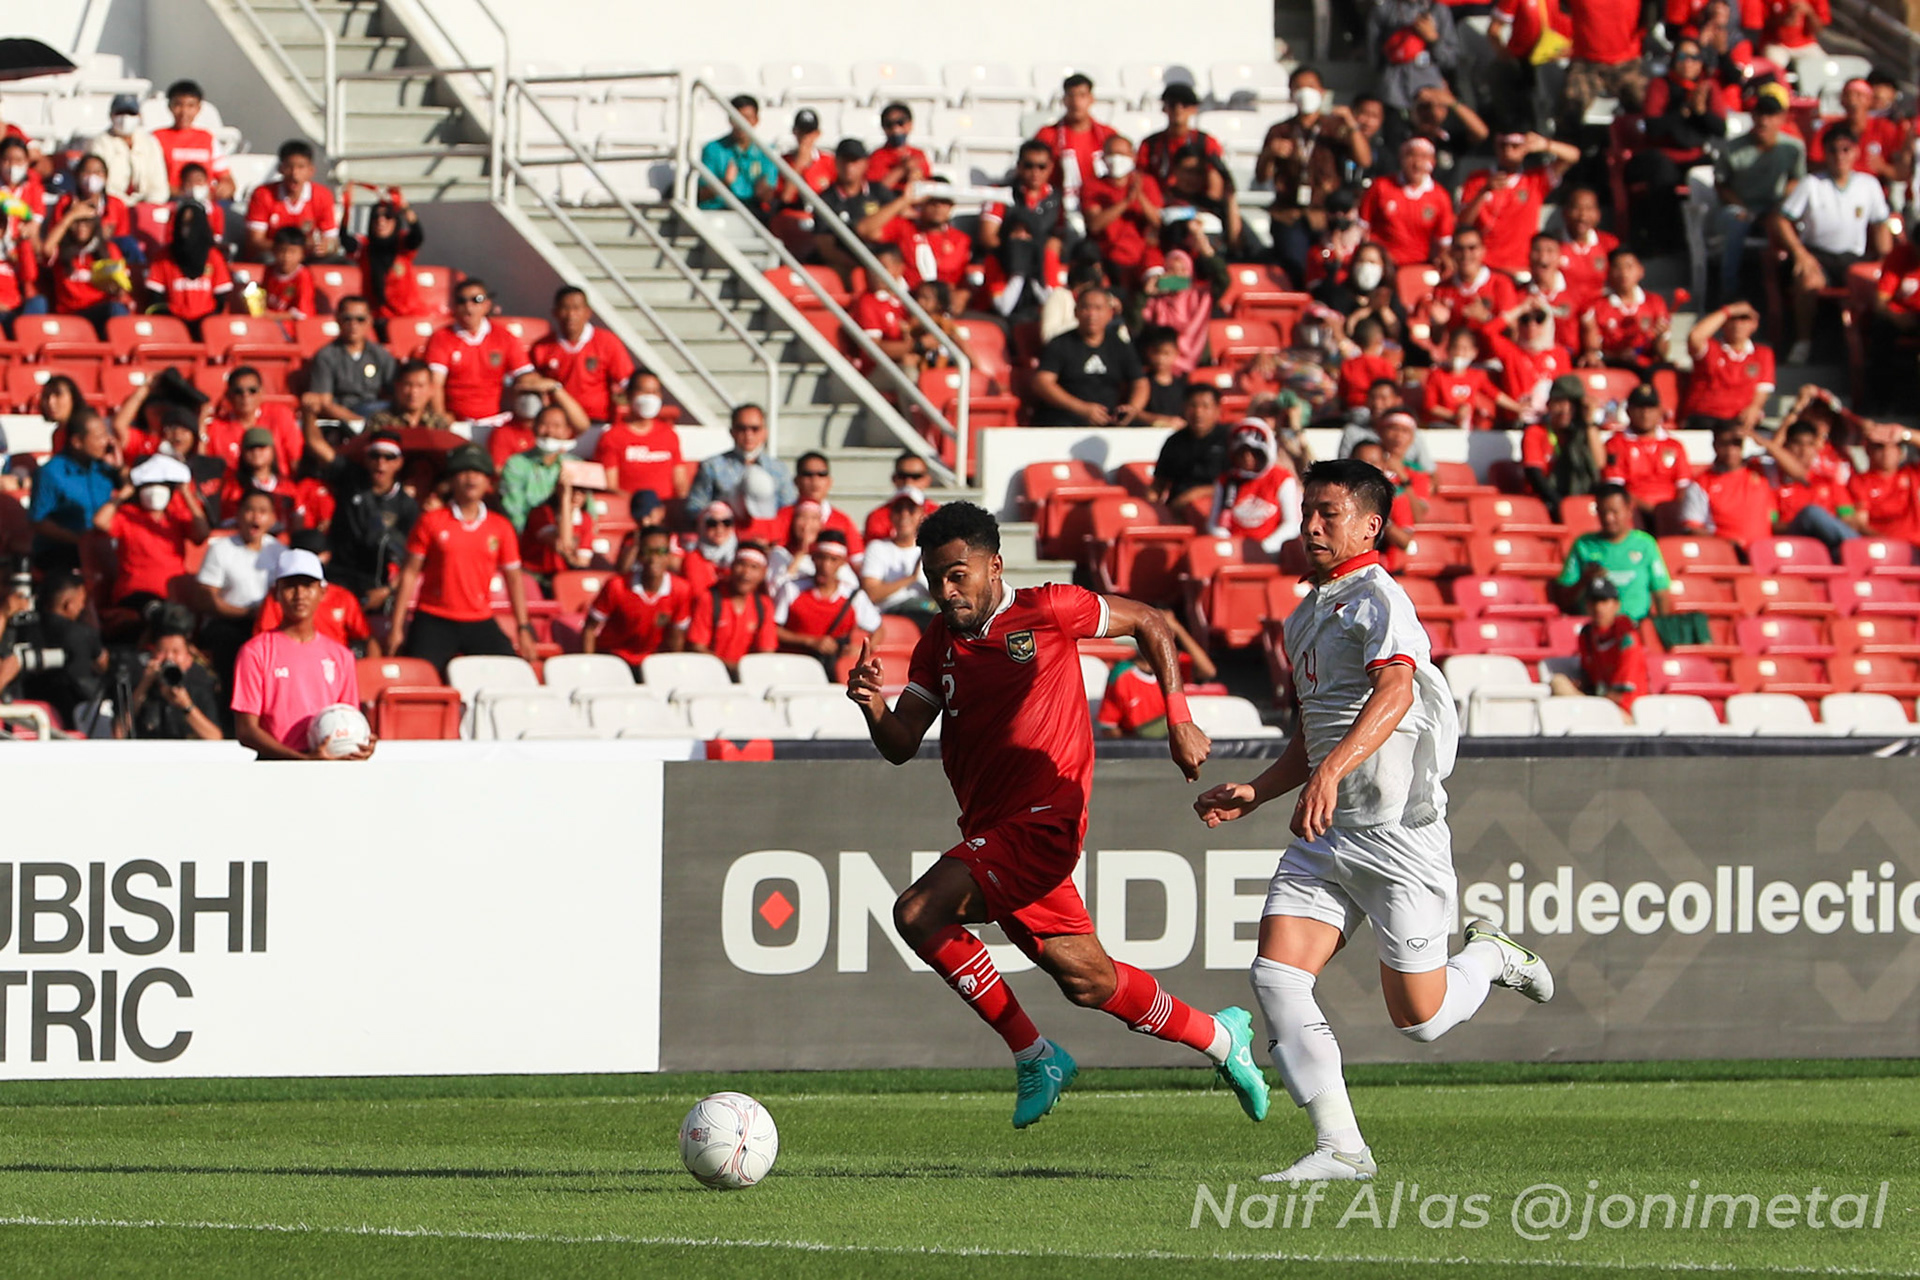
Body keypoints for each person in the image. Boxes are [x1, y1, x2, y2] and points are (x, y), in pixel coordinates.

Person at [848, 501, 1270, 1129]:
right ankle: (1220, 1037)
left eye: (958, 574)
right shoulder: (937, 642)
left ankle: (1034, 1055)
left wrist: (1178, 718)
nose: (946, 590)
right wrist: (873, 707)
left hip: (1045, 820)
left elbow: (1149, 620)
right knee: (1089, 981)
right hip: (992, 830)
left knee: (918, 911)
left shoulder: (1048, 609)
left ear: (995, 566)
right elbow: (902, 742)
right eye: (935, 578)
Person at [1194, 458, 1551, 1182]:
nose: (1312, 525)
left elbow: (1395, 691)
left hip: (1397, 833)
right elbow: (1316, 731)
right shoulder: (1304, 614)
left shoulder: (1380, 599)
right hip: (1327, 835)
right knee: (1276, 976)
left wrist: (1329, 773)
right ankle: (1342, 1148)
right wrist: (1260, 790)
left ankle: (1490, 957)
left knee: (1421, 1021)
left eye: (1328, 512)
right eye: (1307, 511)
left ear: (1370, 525)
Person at [389, 445, 538, 672]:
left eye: (478, 472)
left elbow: (514, 579)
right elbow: (409, 573)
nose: (471, 479)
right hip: (434, 617)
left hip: (479, 618)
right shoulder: (431, 521)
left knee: (510, 672)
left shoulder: (500, 527)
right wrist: (396, 627)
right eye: (464, 472)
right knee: (421, 675)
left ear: (488, 482)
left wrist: (523, 627)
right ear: (452, 480)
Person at [231, 550, 372, 760]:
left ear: (322, 592)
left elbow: (347, 719)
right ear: (276, 593)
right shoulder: (255, 652)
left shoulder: (341, 656)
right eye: (290, 586)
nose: (299, 594)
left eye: (307, 586)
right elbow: (246, 730)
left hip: (328, 766)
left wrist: (359, 744)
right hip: (275, 766)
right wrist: (302, 760)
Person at [1774, 126, 1891, 364]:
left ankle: (1874, 352)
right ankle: (1803, 343)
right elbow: (1781, 219)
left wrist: (1885, 261)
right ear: (1825, 153)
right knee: (1807, 280)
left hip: (1854, 259)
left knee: (1881, 288)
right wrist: (1800, 254)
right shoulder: (1811, 184)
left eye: (1846, 149)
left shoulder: (1869, 184)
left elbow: (1881, 224)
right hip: (1817, 255)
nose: (1840, 156)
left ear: (1856, 152)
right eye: (1833, 150)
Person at [300, 422, 418, 607]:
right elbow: (315, 444)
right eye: (375, 455)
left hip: (374, 585)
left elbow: (412, 559)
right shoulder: (351, 477)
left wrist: (387, 591)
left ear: (399, 462)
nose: (381, 463)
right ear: (366, 458)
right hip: (337, 575)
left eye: (389, 457)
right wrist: (309, 413)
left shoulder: (407, 506)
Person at [1710, 96, 1804, 307]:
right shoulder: (1732, 147)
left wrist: (1782, 205)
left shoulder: (1793, 148)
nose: (1764, 121)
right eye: (1759, 114)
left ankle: (1791, 287)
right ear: (1752, 116)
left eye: (1770, 115)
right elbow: (1721, 185)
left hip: (1775, 207)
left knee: (1793, 222)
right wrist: (1743, 207)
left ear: (1781, 118)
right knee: (1737, 221)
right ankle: (1729, 290)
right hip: (1739, 206)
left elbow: (1797, 180)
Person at [95, 453, 209, 613]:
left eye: (162, 485)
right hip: (134, 595)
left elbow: (202, 534)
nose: (155, 491)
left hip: (173, 596)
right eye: (149, 485)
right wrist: (125, 491)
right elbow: (100, 522)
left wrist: (186, 493)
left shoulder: (176, 516)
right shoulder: (127, 515)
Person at [1456, 132, 1579, 275]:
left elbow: (1573, 156)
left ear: (1524, 148)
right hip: (1486, 266)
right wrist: (1483, 191)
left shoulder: (1534, 179)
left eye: (1515, 146)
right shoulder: (1478, 179)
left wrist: (1546, 145)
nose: (1508, 150)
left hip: (1521, 266)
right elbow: (1463, 223)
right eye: (1503, 145)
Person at [193, 489, 288, 669]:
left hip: (269, 624)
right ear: (238, 514)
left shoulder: (280, 551)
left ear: (272, 518)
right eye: (250, 510)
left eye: (263, 511)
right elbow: (205, 599)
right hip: (228, 624)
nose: (256, 517)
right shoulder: (220, 549)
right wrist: (247, 613)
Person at [1554, 483, 1674, 620]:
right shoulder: (1583, 545)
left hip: (1636, 626)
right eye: (1603, 512)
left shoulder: (1645, 544)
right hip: (1596, 628)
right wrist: (1584, 580)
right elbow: (1563, 598)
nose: (1608, 518)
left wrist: (1663, 626)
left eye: (1614, 512)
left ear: (1629, 510)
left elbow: (1661, 592)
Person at [425, 278, 537, 423]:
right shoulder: (441, 338)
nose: (468, 306)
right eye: (461, 301)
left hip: (496, 421)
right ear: (454, 306)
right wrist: (440, 418)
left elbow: (524, 375)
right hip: (456, 422)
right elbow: (435, 384)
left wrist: (550, 385)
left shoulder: (503, 336)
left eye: (476, 300)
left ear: (487, 305)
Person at [1030, 288, 1146, 426]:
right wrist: (1081, 408)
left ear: (1110, 313)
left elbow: (1140, 382)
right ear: (1076, 312)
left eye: (1098, 308)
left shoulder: (1119, 345)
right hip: (1065, 419)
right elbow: (1042, 382)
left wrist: (1133, 408)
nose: (1092, 314)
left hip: (1109, 419)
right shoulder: (1060, 343)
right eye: (1086, 308)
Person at [582, 525, 691, 670]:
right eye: (648, 552)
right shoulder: (616, 586)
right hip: (614, 658)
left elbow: (676, 638)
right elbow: (590, 629)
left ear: (669, 555)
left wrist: (673, 670)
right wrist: (590, 666)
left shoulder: (681, 590)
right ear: (639, 555)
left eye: (661, 551)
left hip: (654, 662)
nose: (654, 558)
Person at [1096, 611, 1219, 738]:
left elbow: (1208, 671)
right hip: (1142, 742)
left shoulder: (1175, 664)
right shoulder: (1122, 674)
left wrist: (1178, 628)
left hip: (1174, 737)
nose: (1160, 637)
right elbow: (1108, 726)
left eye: (1167, 632)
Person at [29, 410, 119, 574]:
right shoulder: (51, 473)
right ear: (77, 442)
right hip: (61, 556)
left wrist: (119, 466)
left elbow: (130, 490)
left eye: (106, 435)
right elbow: (38, 521)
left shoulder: (104, 469)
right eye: (98, 437)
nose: (105, 442)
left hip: (102, 551)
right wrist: (79, 540)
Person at [118, 602, 224, 741]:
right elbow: (118, 733)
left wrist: (186, 706)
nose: (169, 658)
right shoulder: (138, 676)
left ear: (187, 656)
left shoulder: (201, 679)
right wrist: (144, 685)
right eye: (162, 651)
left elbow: (215, 737)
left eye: (176, 652)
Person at [773, 530, 879, 668]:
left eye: (833, 560)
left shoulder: (853, 596)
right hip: (793, 664)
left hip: (833, 668)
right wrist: (810, 642)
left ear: (842, 562)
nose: (825, 565)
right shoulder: (791, 589)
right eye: (821, 558)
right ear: (812, 558)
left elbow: (878, 629)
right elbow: (773, 629)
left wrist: (863, 650)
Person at [530, 286, 635, 424]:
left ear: (588, 312)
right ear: (555, 313)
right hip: (560, 423)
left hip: (598, 421)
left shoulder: (607, 342)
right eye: (565, 308)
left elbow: (628, 382)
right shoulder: (542, 347)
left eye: (576, 308)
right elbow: (530, 380)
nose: (571, 315)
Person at [684, 404, 793, 536]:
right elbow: (695, 507)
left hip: (767, 539)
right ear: (732, 432)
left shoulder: (779, 469)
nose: (748, 434)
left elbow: (788, 509)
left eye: (755, 429)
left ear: (765, 432)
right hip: (726, 539)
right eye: (742, 428)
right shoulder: (712, 466)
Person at [1356, 138, 1454, 269]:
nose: (1417, 163)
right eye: (1412, 155)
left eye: (1424, 157)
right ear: (1401, 158)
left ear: (1433, 162)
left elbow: (1444, 242)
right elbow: (1362, 227)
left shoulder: (1440, 197)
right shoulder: (1380, 187)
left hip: (1419, 265)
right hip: (1383, 265)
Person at [1549, 578, 1646, 709]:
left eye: (1604, 601)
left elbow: (1620, 692)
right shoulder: (1587, 635)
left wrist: (1593, 705)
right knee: (1558, 682)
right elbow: (1589, 679)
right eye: (1593, 602)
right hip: (1598, 703)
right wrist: (1580, 686)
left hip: (1625, 710)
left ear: (1616, 605)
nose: (1598, 608)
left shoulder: (1626, 636)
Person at [1209, 421, 1303, 553]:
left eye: (1254, 452)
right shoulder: (1226, 481)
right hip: (1234, 551)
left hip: (1273, 552)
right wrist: (1230, 546)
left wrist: (1263, 548)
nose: (1247, 457)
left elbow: (1292, 525)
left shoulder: (1282, 478)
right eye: (1242, 452)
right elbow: (1215, 524)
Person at [686, 540, 777, 675]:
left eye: (754, 567)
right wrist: (732, 669)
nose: (745, 573)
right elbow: (697, 647)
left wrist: (746, 672)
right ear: (732, 567)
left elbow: (766, 650)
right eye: (741, 564)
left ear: (763, 573)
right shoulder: (709, 599)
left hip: (748, 676)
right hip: (709, 674)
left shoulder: (764, 605)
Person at [592, 373, 685, 506]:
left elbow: (681, 483)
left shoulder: (669, 434)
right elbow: (610, 486)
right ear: (629, 395)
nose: (650, 397)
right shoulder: (612, 437)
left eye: (654, 392)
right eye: (644, 391)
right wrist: (642, 506)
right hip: (628, 509)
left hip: (666, 511)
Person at [1680, 422, 1777, 548]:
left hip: (1763, 551)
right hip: (1724, 553)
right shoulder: (1701, 483)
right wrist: (1726, 544)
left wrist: (1761, 441)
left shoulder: (1760, 470)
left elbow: (1799, 473)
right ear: (1715, 445)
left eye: (1736, 444)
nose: (1731, 450)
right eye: (1724, 444)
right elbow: (1692, 528)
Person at [141, 200, 232, 333]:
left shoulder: (214, 257)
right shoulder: (163, 257)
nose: (185, 229)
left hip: (207, 325)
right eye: (182, 223)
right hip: (172, 326)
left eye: (191, 223)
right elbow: (155, 300)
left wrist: (206, 325)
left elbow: (222, 301)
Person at [302, 296, 398, 422]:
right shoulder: (326, 355)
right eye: (347, 318)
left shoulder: (381, 354)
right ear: (338, 319)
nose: (353, 324)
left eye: (360, 319)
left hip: (376, 412)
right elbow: (325, 402)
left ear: (370, 321)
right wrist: (358, 422)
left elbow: (396, 394)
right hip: (341, 416)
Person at [1150, 384, 1233, 524]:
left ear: (1217, 410)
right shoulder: (1174, 442)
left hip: (1218, 512)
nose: (1198, 413)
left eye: (1205, 407)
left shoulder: (1230, 440)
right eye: (1193, 406)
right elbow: (1159, 484)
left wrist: (1195, 494)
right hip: (1178, 513)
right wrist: (1152, 507)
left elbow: (1237, 485)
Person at [1682, 303, 1773, 430]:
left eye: (1744, 319)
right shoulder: (1711, 348)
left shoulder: (1763, 353)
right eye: (1733, 319)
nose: (1738, 324)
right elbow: (1695, 337)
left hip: (1739, 420)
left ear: (1754, 324)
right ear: (1723, 323)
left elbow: (1763, 387)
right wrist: (1728, 311)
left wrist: (1754, 408)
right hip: (1706, 417)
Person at [245, 139, 339, 261]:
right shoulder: (263, 194)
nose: (294, 174)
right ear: (280, 168)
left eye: (301, 167)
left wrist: (326, 247)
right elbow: (255, 241)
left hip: (308, 257)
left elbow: (333, 241)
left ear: (311, 170)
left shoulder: (323, 195)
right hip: (275, 257)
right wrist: (291, 250)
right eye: (289, 167)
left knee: (342, 264)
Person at [1578, 248, 1671, 372]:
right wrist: (1616, 356)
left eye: (1629, 267)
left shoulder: (1655, 302)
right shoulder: (1598, 306)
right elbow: (1593, 349)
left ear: (1640, 271)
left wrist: (1661, 337)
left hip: (1645, 367)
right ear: (1609, 272)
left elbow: (1662, 353)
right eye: (1618, 267)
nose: (1624, 273)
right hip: (1612, 367)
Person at [41, 207, 129, 332]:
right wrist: (70, 216)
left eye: (87, 222)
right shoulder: (61, 249)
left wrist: (115, 289)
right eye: (77, 222)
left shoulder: (109, 249)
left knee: (117, 309)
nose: (81, 227)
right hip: (70, 314)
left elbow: (123, 290)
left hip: (99, 311)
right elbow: (46, 249)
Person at [204, 366, 304, 476]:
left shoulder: (280, 416)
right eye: (238, 391)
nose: (245, 396)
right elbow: (205, 470)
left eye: (252, 390)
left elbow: (297, 461)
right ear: (229, 395)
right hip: (233, 485)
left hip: (279, 483)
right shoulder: (216, 428)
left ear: (262, 392)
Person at [1034, 74, 1118, 202]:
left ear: (1091, 99)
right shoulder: (1047, 135)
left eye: (1082, 95)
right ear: (1064, 100)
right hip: (1058, 205)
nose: (1076, 102)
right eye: (1071, 96)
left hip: (1100, 206)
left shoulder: (1108, 135)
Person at [764, 451, 864, 557]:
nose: (815, 480)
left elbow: (856, 558)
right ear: (796, 481)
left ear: (829, 481)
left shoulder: (842, 521)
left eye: (821, 474)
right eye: (807, 474)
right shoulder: (782, 516)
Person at [342, 194, 424, 321]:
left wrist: (405, 210)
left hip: (406, 315)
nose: (381, 221)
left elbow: (417, 236)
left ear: (395, 221)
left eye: (388, 216)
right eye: (376, 217)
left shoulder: (402, 243)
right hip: (376, 317)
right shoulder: (364, 247)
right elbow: (346, 240)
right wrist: (347, 206)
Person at [152, 80, 234, 203]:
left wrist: (226, 187)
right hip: (172, 202)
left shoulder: (207, 138)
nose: (184, 112)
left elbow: (226, 178)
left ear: (198, 108)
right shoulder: (156, 138)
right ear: (170, 107)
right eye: (178, 105)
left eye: (190, 106)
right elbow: (150, 181)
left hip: (206, 203)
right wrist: (183, 194)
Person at [498, 404, 578, 532]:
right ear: (534, 428)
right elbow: (514, 510)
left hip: (569, 531)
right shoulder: (516, 464)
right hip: (530, 535)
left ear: (567, 432)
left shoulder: (575, 464)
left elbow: (589, 509)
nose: (550, 432)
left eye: (557, 426)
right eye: (544, 425)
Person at [85, 93, 168, 207]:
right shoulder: (100, 143)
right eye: (120, 113)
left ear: (139, 116)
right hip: (112, 204)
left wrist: (149, 203)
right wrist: (123, 204)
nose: (125, 118)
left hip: (146, 205)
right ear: (111, 115)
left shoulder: (149, 142)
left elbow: (159, 183)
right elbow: (101, 183)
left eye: (131, 113)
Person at [697, 95, 776, 213]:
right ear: (730, 119)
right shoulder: (713, 149)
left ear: (756, 120)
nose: (741, 123)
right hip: (717, 211)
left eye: (747, 118)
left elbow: (769, 196)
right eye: (737, 118)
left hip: (753, 212)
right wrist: (725, 182)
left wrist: (763, 190)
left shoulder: (767, 152)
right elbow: (700, 195)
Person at [859, 487, 932, 616]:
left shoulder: (931, 549)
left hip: (926, 609)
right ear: (891, 514)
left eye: (911, 510)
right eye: (898, 509)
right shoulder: (877, 548)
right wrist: (910, 579)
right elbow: (871, 593)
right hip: (891, 613)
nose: (904, 515)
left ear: (921, 514)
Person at [367, 360, 454, 434]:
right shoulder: (381, 422)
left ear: (431, 389)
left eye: (420, 386)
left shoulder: (438, 424)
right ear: (397, 387)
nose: (413, 392)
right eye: (408, 385)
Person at [867, 103, 932, 193]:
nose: (895, 129)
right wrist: (902, 169)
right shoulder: (877, 156)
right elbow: (877, 190)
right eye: (889, 124)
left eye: (900, 123)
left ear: (910, 125)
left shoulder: (918, 154)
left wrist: (916, 177)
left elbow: (928, 186)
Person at [261, 226, 315, 319]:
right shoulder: (269, 270)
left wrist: (271, 316)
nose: (286, 257)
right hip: (269, 324)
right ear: (274, 250)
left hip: (292, 326)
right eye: (282, 251)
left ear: (302, 254)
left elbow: (302, 314)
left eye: (292, 252)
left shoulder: (303, 276)